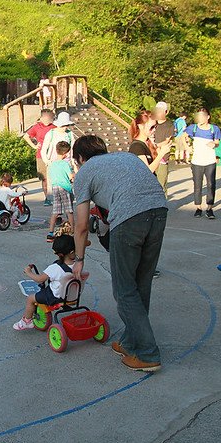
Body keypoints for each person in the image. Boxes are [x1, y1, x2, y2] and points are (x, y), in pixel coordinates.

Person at [71, 135, 168, 372]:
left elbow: (81, 226)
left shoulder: (84, 172)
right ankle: (130, 342)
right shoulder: (126, 157)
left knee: (124, 289)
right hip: (160, 211)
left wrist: (79, 260)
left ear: (80, 158)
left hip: (129, 219)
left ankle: (147, 353)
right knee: (141, 283)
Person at [13, 235, 77, 331]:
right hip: (73, 295)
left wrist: (29, 272)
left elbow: (40, 279)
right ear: (72, 251)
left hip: (55, 296)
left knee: (31, 298)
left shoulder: (55, 268)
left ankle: (26, 321)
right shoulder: (78, 265)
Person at [182, 107, 221, 219]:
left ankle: (209, 208)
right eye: (198, 116)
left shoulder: (214, 129)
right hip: (197, 161)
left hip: (210, 160)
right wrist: (187, 147)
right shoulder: (192, 128)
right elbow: (183, 137)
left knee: (211, 184)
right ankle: (198, 208)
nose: (200, 118)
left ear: (208, 117)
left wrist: (214, 144)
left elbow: (217, 142)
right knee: (197, 185)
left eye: (202, 116)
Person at [23, 109, 57, 206]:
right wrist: (34, 146)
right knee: (44, 178)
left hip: (52, 155)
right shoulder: (37, 127)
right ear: (41, 118)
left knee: (53, 178)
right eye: (45, 118)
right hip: (41, 155)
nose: (47, 121)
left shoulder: (54, 127)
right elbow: (26, 136)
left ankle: (54, 197)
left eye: (49, 119)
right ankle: (47, 197)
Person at [46, 141, 75, 242]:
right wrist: (74, 175)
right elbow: (71, 177)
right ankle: (72, 230)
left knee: (55, 211)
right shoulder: (65, 164)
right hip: (64, 188)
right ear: (66, 154)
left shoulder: (52, 164)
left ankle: (50, 233)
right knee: (69, 210)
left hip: (55, 187)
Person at [151, 102, 174, 196]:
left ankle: (163, 206)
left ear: (166, 112)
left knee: (161, 184)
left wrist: (155, 146)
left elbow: (167, 141)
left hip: (162, 158)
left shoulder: (169, 125)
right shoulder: (152, 123)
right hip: (152, 156)